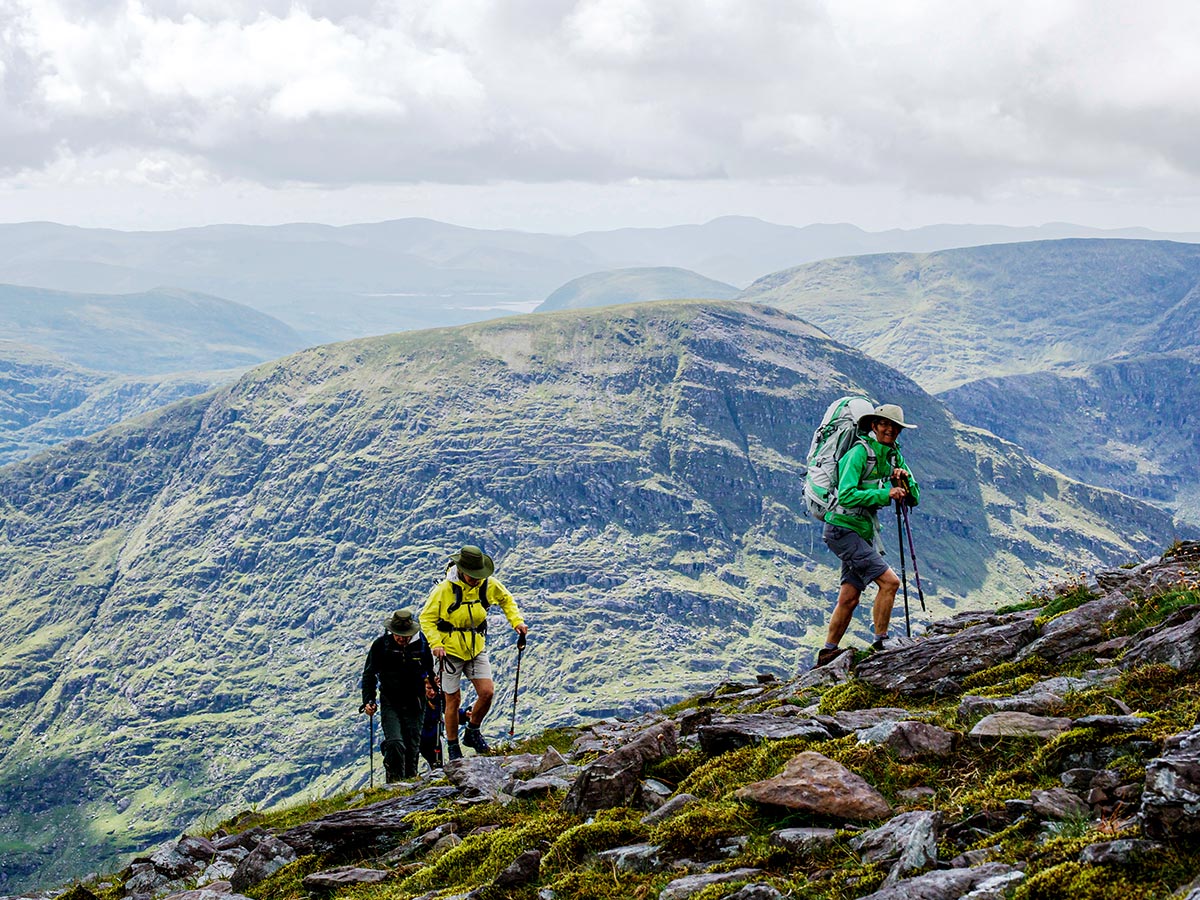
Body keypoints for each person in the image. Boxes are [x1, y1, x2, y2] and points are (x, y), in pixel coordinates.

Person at [816, 403, 921, 667]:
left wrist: (903, 481)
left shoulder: (894, 457)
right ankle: (880, 644)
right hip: (842, 528)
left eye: (894, 427)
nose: (889, 430)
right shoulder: (858, 454)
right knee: (890, 583)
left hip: (861, 532)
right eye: (883, 424)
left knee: (849, 597)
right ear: (873, 425)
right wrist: (886, 493)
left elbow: (914, 499)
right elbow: (847, 494)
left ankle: (827, 653)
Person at [420, 545, 528, 760]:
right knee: (453, 699)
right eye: (473, 576)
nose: (477, 580)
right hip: (449, 651)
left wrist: (516, 621)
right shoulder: (444, 590)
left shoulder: (488, 584)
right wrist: (436, 644)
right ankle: (453, 748)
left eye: (480, 575)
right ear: (462, 571)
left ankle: (472, 731)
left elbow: (506, 599)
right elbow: (426, 618)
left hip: (476, 646)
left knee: (487, 692)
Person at [360, 608, 436, 782]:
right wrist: (368, 701)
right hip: (390, 701)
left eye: (405, 635)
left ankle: (409, 784)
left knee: (411, 746)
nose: (402, 639)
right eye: (399, 635)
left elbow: (429, 670)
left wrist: (434, 689)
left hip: (415, 702)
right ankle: (394, 783)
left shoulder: (421, 645)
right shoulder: (381, 646)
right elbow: (369, 674)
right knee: (395, 742)